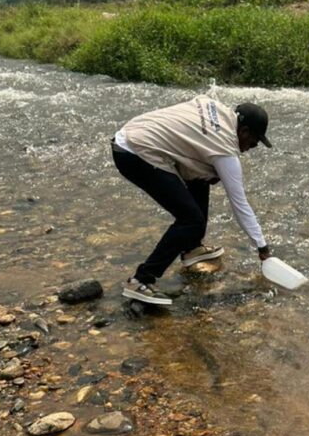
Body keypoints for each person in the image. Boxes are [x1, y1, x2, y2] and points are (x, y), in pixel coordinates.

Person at [111, 95, 272, 305]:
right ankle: (141, 280)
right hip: (135, 153)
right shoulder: (224, 149)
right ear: (243, 132)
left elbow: (191, 156)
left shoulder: (216, 108)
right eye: (253, 143)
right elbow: (239, 205)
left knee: (202, 178)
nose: (251, 148)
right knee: (190, 219)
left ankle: (191, 248)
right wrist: (262, 248)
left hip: (129, 136)